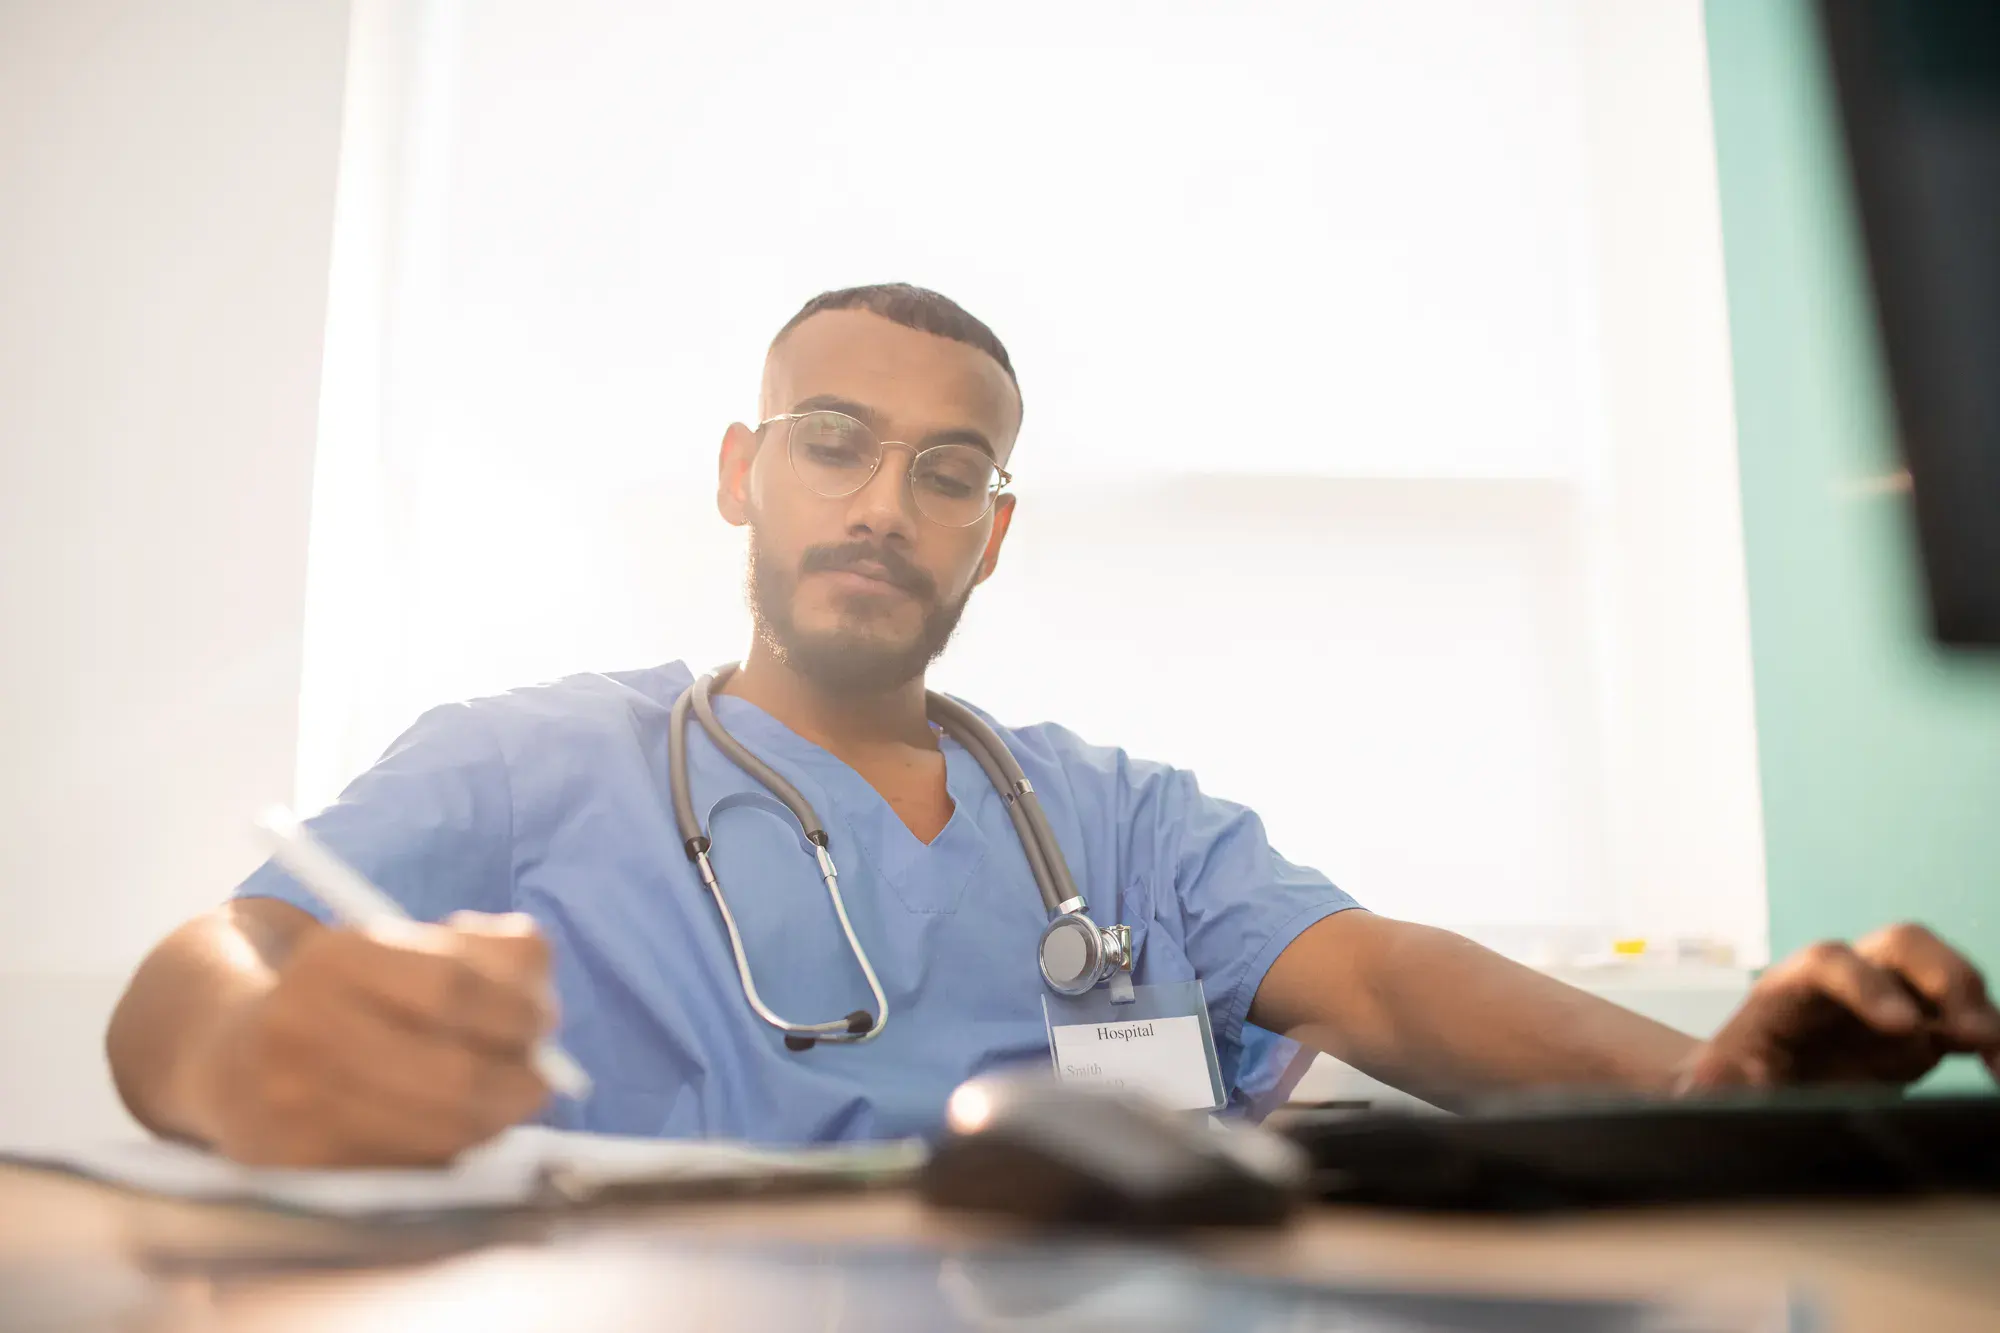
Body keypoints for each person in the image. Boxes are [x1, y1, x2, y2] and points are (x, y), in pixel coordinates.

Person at [107, 284, 2000, 1166]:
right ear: (741, 474)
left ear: (991, 533)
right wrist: (243, 1062)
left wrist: (1698, 1102)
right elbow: (213, 959)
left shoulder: (1113, 813)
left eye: (949, 471)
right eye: (832, 443)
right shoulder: (534, 758)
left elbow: (1391, 986)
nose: (883, 504)